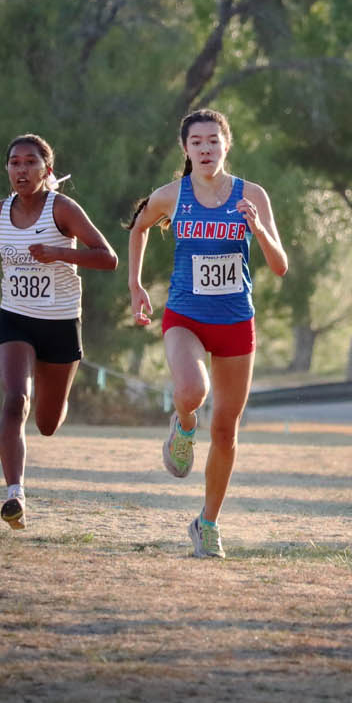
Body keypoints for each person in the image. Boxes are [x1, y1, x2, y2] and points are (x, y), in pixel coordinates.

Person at [127, 109, 288, 558]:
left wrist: (256, 227)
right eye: (196, 141)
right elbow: (138, 227)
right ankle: (183, 424)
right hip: (186, 317)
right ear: (185, 149)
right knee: (192, 391)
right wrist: (136, 285)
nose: (205, 149)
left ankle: (208, 522)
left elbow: (280, 265)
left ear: (226, 145)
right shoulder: (171, 195)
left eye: (213, 141)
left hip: (236, 323)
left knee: (226, 430)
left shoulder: (251, 195)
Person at [0, 134, 118, 529]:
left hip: (61, 322)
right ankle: (14, 492)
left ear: (46, 170)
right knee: (16, 399)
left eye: (30, 162)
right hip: (15, 317)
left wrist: (61, 253)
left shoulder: (62, 209)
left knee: (47, 423)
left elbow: (108, 258)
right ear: (7, 169)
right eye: (15, 162)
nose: (22, 170)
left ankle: (57, 400)